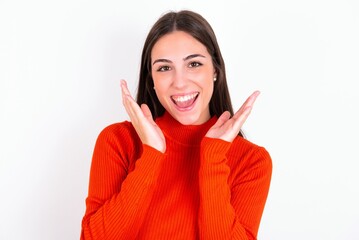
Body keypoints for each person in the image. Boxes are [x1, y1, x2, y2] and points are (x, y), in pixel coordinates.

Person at [80, 10, 272, 240]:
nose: (180, 83)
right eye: (164, 68)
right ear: (151, 80)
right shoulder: (118, 141)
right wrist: (151, 155)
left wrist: (212, 158)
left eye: (194, 64)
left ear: (215, 71)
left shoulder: (251, 161)